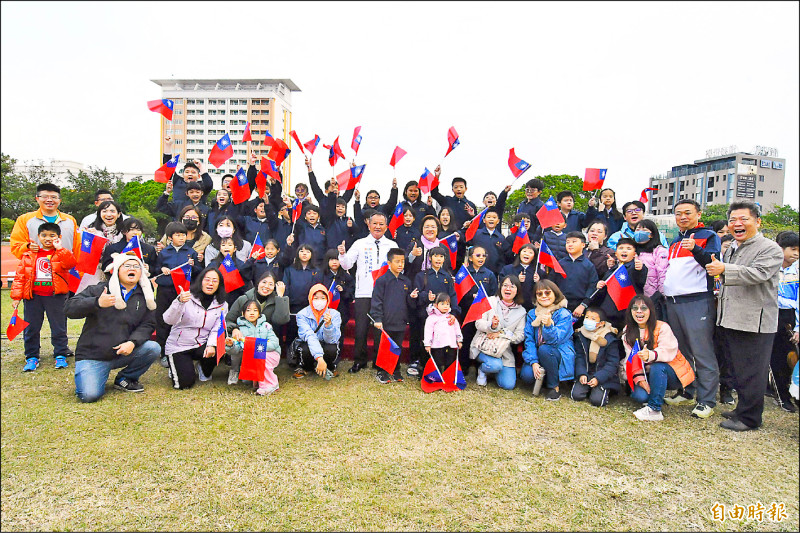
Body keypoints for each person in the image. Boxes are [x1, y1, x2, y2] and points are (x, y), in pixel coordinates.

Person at [706, 201, 784, 431]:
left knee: (752, 371)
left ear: (757, 221)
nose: (737, 224)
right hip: (731, 317)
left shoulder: (769, 248)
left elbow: (758, 274)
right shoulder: (732, 247)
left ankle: (750, 418)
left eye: (743, 219)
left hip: (754, 321)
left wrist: (724, 270)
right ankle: (742, 409)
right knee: (738, 369)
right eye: (732, 220)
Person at [64, 253, 160, 402]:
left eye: (136, 266)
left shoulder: (145, 295)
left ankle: (125, 378)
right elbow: (69, 309)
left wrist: (132, 342)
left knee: (152, 348)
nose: (132, 269)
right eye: (127, 266)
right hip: (94, 355)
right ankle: (94, 374)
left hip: (123, 352)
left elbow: (148, 324)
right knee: (89, 395)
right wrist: (96, 303)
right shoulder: (99, 290)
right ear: (116, 270)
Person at [660, 199, 721, 420]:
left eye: (687, 213)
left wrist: (695, 248)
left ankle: (706, 400)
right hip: (673, 302)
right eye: (678, 214)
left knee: (702, 351)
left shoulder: (708, 236)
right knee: (682, 351)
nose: (683, 217)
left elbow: (713, 263)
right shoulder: (676, 239)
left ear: (698, 213)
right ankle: (687, 391)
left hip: (696, 301)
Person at [11, 222, 77, 371]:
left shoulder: (61, 253)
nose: (48, 238)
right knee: (31, 328)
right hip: (33, 297)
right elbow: (20, 276)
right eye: (44, 235)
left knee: (59, 327)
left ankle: (60, 354)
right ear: (38, 237)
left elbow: (70, 263)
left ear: (58, 237)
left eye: (52, 235)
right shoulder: (29, 254)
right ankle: (32, 356)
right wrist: (16, 297)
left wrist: (60, 248)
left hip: (55, 297)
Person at [338, 211, 397, 374]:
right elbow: (347, 265)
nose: (377, 227)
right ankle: (360, 360)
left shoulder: (392, 245)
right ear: (368, 225)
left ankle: (379, 362)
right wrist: (342, 254)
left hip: (385, 294)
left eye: (381, 224)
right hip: (363, 292)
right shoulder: (359, 243)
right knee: (361, 328)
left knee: (380, 329)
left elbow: (399, 268)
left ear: (386, 227)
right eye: (374, 223)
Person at [621, 295, 696, 421]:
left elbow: (669, 350)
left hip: (672, 371)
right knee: (640, 396)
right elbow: (630, 359)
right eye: (635, 308)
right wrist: (639, 380)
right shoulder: (627, 331)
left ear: (651, 310)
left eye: (644, 308)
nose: (639, 311)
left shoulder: (662, 327)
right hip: (647, 373)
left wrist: (651, 355)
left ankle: (655, 409)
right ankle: (652, 395)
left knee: (658, 366)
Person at [163, 267, 228, 389]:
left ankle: (203, 367)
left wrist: (211, 345)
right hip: (179, 346)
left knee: (221, 346)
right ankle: (175, 367)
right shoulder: (186, 297)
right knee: (184, 384)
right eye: (207, 279)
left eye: (215, 281)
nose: (210, 283)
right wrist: (179, 302)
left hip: (201, 344)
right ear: (200, 281)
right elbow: (168, 320)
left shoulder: (222, 304)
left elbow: (217, 327)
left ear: (219, 284)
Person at [154, 222, 202, 366]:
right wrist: (161, 268)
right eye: (178, 235)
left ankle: (181, 350)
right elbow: (156, 269)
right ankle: (164, 352)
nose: (181, 237)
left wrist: (193, 266)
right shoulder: (164, 253)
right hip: (165, 291)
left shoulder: (191, 252)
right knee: (163, 319)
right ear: (170, 237)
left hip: (182, 291)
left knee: (182, 320)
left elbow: (198, 273)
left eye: (183, 235)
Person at [520, 280, 576, 399]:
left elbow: (555, 340)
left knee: (545, 349)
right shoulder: (532, 314)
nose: (544, 296)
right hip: (539, 354)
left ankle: (553, 387)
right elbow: (529, 340)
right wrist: (534, 362)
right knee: (527, 376)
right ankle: (545, 376)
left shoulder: (564, 314)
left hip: (558, 353)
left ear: (555, 293)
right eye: (539, 294)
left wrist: (549, 326)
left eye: (547, 293)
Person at [371, 247, 419, 383]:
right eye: (397, 261)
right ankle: (382, 371)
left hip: (400, 320)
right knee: (384, 346)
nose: (400, 265)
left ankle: (396, 369)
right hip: (385, 321)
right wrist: (378, 318)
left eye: (402, 262)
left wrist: (412, 297)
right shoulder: (382, 280)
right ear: (389, 262)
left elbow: (408, 302)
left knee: (397, 346)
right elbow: (377, 301)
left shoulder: (406, 281)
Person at [411, 246, 461, 376]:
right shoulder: (422, 275)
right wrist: (426, 297)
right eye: (435, 256)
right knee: (426, 341)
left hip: (443, 318)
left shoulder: (447, 276)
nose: (438, 259)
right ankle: (425, 368)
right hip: (426, 316)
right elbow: (415, 294)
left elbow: (453, 295)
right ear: (430, 258)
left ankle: (441, 370)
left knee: (441, 344)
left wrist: (454, 313)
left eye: (441, 256)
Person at [471, 275, 527, 390]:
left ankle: (495, 371)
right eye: (505, 285)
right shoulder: (489, 301)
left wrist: (501, 334)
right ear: (500, 287)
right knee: (495, 365)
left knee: (508, 385)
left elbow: (520, 336)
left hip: (504, 352)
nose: (508, 289)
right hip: (485, 346)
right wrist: (491, 325)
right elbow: (478, 323)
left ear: (517, 291)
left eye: (512, 286)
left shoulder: (521, 311)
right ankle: (483, 369)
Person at [224, 299, 281, 395]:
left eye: (255, 310)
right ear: (243, 313)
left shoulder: (266, 326)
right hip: (251, 358)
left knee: (261, 357)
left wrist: (256, 346)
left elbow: (274, 343)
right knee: (247, 381)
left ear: (259, 313)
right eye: (248, 310)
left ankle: (270, 385)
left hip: (271, 353)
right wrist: (230, 345)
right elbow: (237, 349)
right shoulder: (239, 329)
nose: (252, 313)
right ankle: (256, 380)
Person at [10, 183, 80, 260]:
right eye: (44, 197)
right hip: (37, 269)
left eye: (54, 197)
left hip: (65, 269)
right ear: (37, 198)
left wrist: (78, 270)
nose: (49, 200)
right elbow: (16, 246)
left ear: (59, 200)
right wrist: (28, 247)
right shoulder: (24, 219)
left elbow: (78, 246)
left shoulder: (70, 220)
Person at [769, 231, 799, 412]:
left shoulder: (796, 271)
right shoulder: (771, 268)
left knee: (791, 358)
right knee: (776, 358)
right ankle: (781, 396)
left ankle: (791, 392)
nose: (796, 253)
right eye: (793, 249)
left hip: (791, 316)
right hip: (772, 314)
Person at [459, 245, 499, 375]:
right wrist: (471, 297)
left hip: (483, 314)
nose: (481, 258)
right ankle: (463, 366)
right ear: (470, 258)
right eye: (478, 255)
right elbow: (458, 292)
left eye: (483, 256)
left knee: (480, 339)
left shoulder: (489, 274)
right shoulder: (464, 272)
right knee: (466, 338)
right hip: (467, 311)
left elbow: (493, 295)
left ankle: (478, 368)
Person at [592, 238, 648, 329]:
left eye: (629, 249)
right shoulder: (613, 269)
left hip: (626, 315)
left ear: (634, 254)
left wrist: (640, 270)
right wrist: (600, 286)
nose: (624, 250)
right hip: (608, 314)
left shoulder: (635, 266)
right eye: (621, 248)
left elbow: (640, 281)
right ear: (616, 253)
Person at [571, 307, 621, 407]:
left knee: (597, 401)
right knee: (576, 395)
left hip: (603, 374)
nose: (588, 320)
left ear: (601, 323)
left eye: (593, 319)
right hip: (587, 371)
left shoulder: (610, 338)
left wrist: (598, 378)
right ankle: (587, 386)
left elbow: (612, 363)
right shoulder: (580, 334)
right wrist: (581, 374)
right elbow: (579, 356)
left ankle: (602, 389)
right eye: (587, 317)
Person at [292, 284, 342, 380]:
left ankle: (330, 366)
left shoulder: (335, 314)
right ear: (310, 298)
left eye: (323, 298)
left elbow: (332, 340)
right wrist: (319, 358)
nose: (319, 301)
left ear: (327, 299)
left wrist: (328, 326)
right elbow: (309, 335)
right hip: (310, 343)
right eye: (316, 298)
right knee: (305, 348)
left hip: (326, 343)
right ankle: (307, 367)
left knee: (331, 348)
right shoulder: (301, 314)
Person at [75, 200, 126, 294]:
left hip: (118, 271)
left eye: (112, 211)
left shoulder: (124, 232)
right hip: (94, 272)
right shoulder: (91, 230)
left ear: (119, 214)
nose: (108, 214)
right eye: (104, 211)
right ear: (99, 214)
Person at [546, 231, 598, 322]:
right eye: (568, 242)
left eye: (574, 242)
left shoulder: (589, 266)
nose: (570, 244)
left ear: (583, 245)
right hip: (559, 305)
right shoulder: (560, 263)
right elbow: (551, 283)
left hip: (579, 307)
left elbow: (592, 287)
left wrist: (583, 305)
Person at [423, 292, 463, 392]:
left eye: (447, 304)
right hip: (437, 345)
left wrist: (459, 340)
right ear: (436, 305)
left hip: (450, 344)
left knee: (450, 362)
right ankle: (437, 380)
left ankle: (449, 380)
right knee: (438, 362)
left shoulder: (451, 317)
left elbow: (457, 329)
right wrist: (427, 344)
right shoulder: (431, 318)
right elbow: (427, 332)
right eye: (442, 304)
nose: (445, 306)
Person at [633, 219, 669, 319]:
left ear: (652, 234)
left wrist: (662, 296)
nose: (639, 232)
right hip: (635, 297)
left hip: (653, 298)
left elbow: (663, 274)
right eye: (637, 229)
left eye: (644, 229)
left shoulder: (659, 251)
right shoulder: (632, 251)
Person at [322, 249, 354, 350]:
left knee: (340, 332)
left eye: (337, 259)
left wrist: (343, 291)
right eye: (331, 259)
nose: (334, 262)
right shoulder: (321, 275)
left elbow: (352, 293)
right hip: (324, 310)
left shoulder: (347, 277)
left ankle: (337, 355)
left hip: (341, 310)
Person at [207, 237, 253, 306]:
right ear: (220, 249)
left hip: (236, 300)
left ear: (235, 249)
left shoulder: (240, 264)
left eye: (230, 245)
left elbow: (246, 285)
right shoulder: (213, 264)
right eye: (223, 245)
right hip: (216, 300)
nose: (226, 247)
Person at [465, 207, 505, 274]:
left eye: (494, 217)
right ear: (484, 220)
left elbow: (502, 258)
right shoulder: (476, 233)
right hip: (476, 271)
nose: (491, 219)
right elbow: (466, 241)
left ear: (498, 221)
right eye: (488, 217)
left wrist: (500, 272)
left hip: (493, 272)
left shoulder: (501, 238)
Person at [500, 243, 537, 311]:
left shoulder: (538, 272)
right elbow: (501, 285)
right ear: (519, 253)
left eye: (530, 252)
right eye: (524, 251)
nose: (526, 254)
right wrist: (516, 280)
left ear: (534, 256)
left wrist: (538, 282)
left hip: (530, 307)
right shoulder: (507, 269)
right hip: (510, 307)